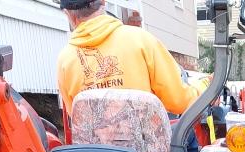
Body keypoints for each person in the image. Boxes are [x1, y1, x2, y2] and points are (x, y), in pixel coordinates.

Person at [56, 0, 205, 116]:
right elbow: (179, 102)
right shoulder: (141, 40)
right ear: (103, 2)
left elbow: (76, 115)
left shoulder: (65, 60)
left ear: (67, 13)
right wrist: (203, 88)